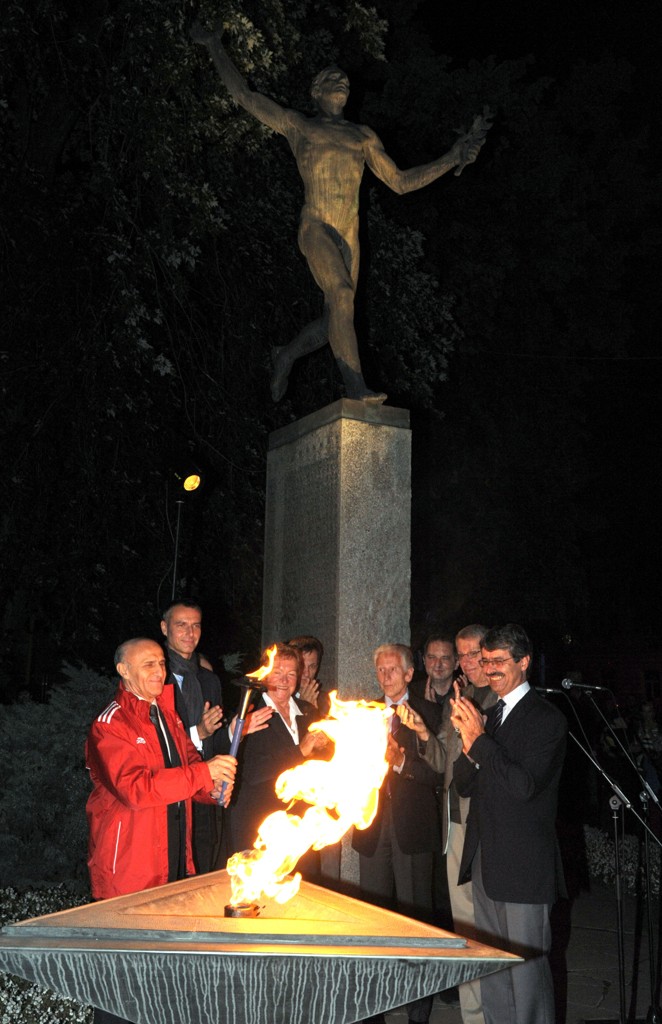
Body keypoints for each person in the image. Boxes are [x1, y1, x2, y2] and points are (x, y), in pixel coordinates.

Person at [190, 23, 490, 405]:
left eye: (345, 79)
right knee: (342, 295)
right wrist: (215, 45)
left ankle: (285, 353)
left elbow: (399, 182)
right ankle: (355, 388)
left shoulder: (363, 136)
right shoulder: (300, 126)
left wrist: (452, 157)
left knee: (338, 310)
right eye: (333, 78)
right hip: (315, 226)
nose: (342, 82)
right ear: (316, 92)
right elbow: (245, 96)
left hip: (349, 233)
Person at [85, 638, 237, 1024]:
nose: (159, 671)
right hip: (129, 869)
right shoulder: (111, 724)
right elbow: (136, 789)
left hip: (171, 860)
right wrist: (202, 773)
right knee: (121, 978)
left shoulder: (166, 716)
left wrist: (212, 788)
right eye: (148, 664)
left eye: (161, 664)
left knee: (162, 972)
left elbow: (187, 768)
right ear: (124, 671)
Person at [450, 624, 567, 1024]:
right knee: (494, 970)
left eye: (499, 660)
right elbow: (462, 785)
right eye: (486, 661)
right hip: (485, 862)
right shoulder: (490, 716)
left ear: (524, 662)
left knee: (527, 975)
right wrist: (468, 742)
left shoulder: (545, 719)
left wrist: (480, 740)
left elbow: (524, 786)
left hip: (523, 868)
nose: (490, 668)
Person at [400, 624, 496, 1024]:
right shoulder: (460, 698)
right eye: (465, 655)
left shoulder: (498, 700)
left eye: (476, 654)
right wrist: (423, 733)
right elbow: (442, 763)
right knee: (466, 927)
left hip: (491, 827)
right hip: (456, 824)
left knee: (496, 925)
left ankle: (499, 1010)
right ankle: (474, 1016)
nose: (469, 662)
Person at [352, 643, 443, 1024]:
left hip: (413, 827)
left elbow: (439, 775)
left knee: (414, 919)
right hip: (372, 828)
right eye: (381, 670)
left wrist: (402, 760)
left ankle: (417, 1009)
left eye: (394, 669)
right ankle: (374, 1007)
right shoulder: (361, 714)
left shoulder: (432, 714)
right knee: (373, 917)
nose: (386, 676)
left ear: (409, 674)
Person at [227, 642, 329, 863]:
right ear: (265, 675)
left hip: (301, 827)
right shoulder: (250, 712)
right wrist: (300, 751)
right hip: (260, 825)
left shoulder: (307, 710)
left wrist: (323, 746)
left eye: (291, 674)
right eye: (278, 672)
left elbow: (322, 762)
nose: (284, 680)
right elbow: (253, 771)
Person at [412, 632, 459, 708]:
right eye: (432, 657)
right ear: (424, 660)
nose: (438, 664)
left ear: (456, 663)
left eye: (445, 658)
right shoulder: (412, 694)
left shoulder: (466, 693)